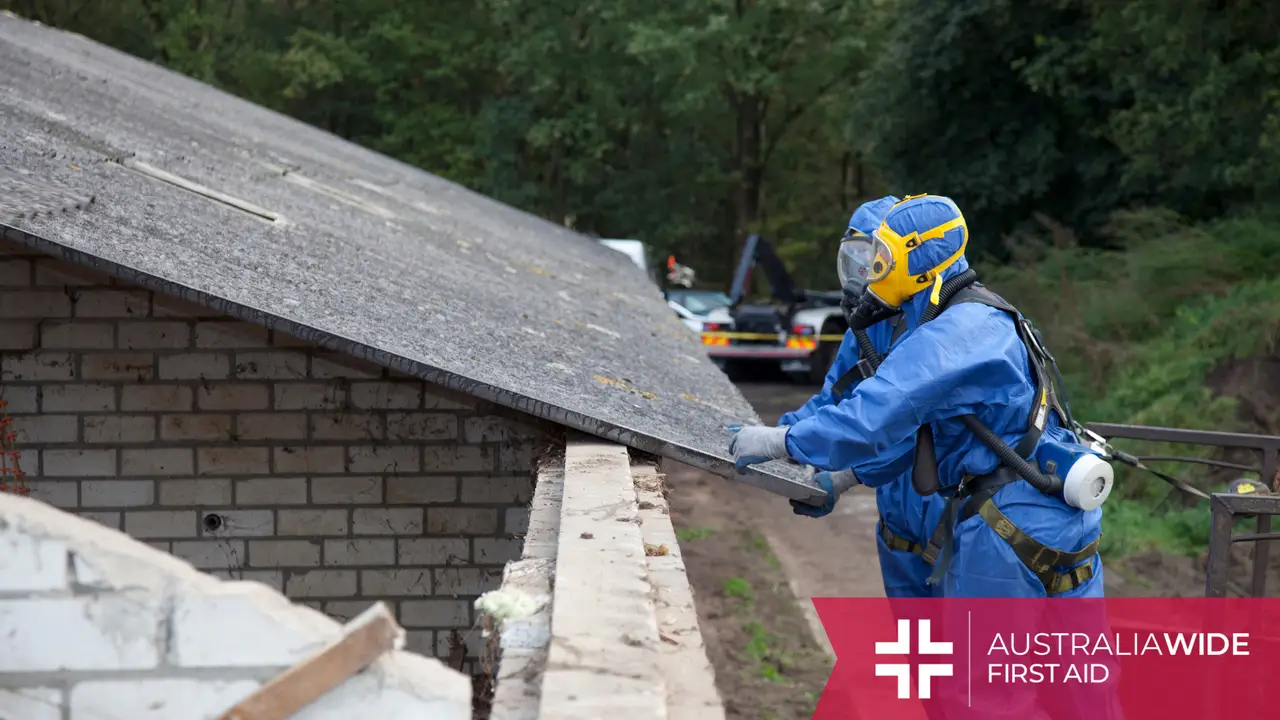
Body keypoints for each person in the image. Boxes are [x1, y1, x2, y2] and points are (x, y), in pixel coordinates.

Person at [728, 194, 1105, 601]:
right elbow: (845, 402)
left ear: (915, 260)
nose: (866, 274)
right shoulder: (932, 317)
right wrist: (801, 444)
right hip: (1026, 513)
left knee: (986, 664)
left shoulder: (958, 331)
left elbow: (879, 418)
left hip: (1006, 521)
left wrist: (780, 443)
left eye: (878, 259)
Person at [776, 196, 949, 599]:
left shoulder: (945, 327)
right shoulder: (868, 328)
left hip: (952, 516)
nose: (862, 274)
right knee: (918, 653)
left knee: (966, 652)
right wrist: (779, 438)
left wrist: (845, 475)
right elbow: (834, 401)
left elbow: (918, 430)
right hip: (898, 524)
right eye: (854, 259)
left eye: (872, 260)